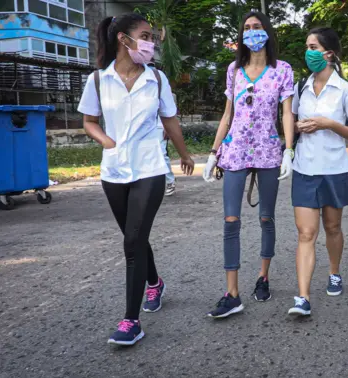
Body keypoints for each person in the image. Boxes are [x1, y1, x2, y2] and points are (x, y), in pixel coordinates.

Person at [78, 13, 195, 346]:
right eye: (145, 35)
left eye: (151, 37)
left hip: (149, 169)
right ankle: (155, 282)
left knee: (131, 242)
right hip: (114, 172)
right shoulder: (99, 80)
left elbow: (170, 120)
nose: (151, 43)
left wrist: (184, 154)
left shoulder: (156, 79)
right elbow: (89, 120)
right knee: (136, 237)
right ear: (123, 40)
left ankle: (131, 321)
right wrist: (107, 142)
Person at [201, 11, 295, 318]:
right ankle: (232, 293)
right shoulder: (235, 70)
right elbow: (228, 114)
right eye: (246, 29)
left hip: (268, 150)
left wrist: (289, 150)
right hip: (236, 151)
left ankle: (263, 276)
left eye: (257, 27)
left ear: (267, 32)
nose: (252, 33)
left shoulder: (282, 70)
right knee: (231, 221)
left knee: (266, 218)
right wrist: (214, 152)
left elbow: (286, 114)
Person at [287, 28, 348, 316]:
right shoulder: (300, 87)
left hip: (334, 169)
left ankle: (334, 272)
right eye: (307, 46)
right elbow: (290, 123)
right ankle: (302, 298)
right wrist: (298, 127)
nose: (308, 52)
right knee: (306, 233)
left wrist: (328, 123)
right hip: (305, 168)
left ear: (328, 53)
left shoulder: (346, 91)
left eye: (313, 46)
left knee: (332, 227)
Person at [147, 62, 177, 196]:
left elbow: (169, 113)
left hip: (160, 125)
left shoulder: (160, 84)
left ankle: (169, 180)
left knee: (161, 154)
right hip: (145, 126)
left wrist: (167, 128)